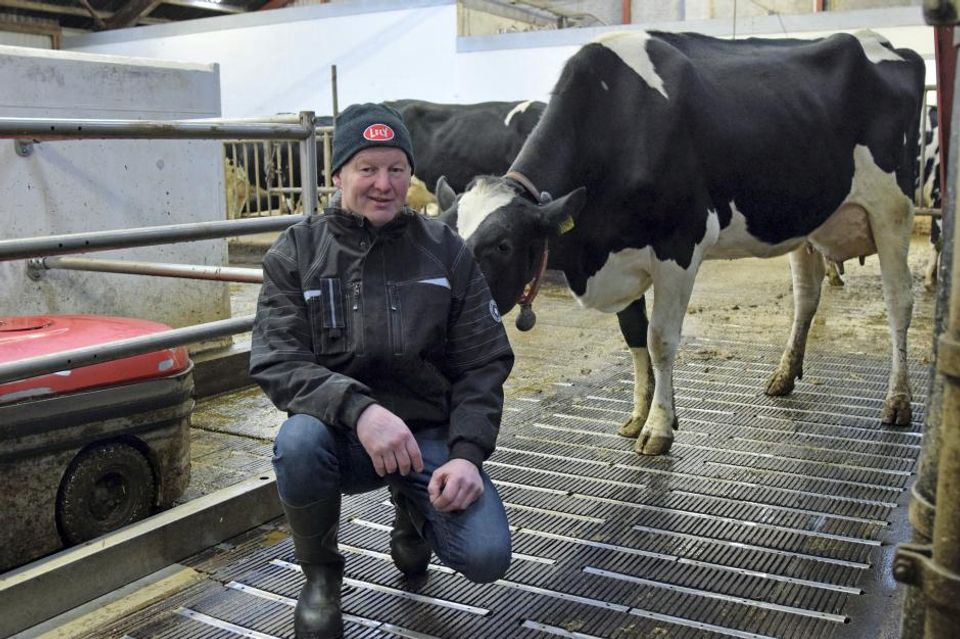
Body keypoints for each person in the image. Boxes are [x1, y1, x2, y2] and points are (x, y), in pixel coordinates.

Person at [250, 102, 515, 639]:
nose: (383, 184)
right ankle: (321, 577)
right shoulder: (296, 253)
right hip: (342, 438)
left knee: (487, 556)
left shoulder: (445, 251)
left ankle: (412, 511)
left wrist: (467, 455)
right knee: (297, 444)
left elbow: (484, 361)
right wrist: (360, 410)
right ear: (338, 173)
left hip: (427, 437)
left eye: (396, 169)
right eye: (366, 168)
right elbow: (278, 360)